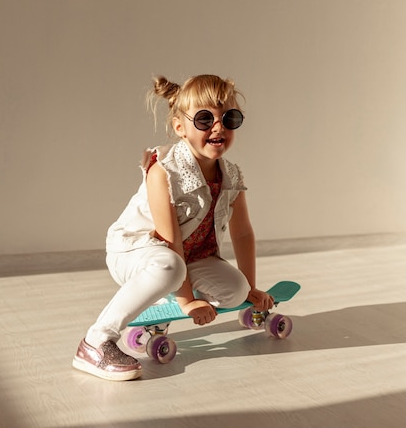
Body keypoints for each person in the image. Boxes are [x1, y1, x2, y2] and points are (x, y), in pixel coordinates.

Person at [73, 74, 273, 381]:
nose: (218, 127)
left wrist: (251, 286)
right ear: (180, 128)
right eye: (205, 119)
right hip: (139, 252)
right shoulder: (163, 170)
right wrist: (187, 301)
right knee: (169, 267)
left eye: (229, 118)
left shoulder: (230, 175)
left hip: (188, 258)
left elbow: (242, 232)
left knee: (235, 292)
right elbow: (169, 239)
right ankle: (95, 342)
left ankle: (166, 290)